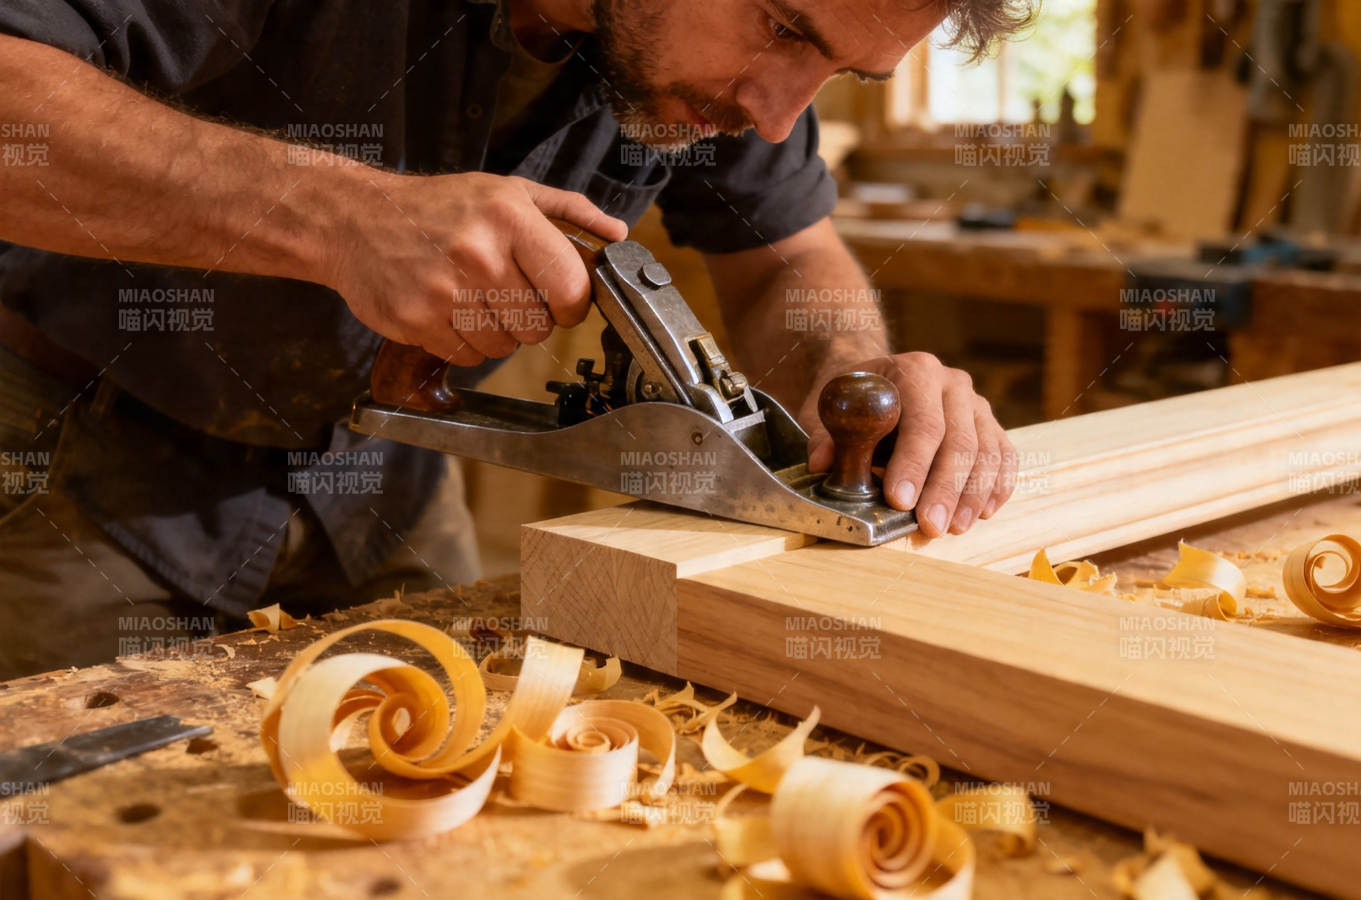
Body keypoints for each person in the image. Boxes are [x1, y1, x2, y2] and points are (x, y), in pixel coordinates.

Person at [0, 0, 1033, 678]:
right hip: (83, 455)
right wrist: (338, 217)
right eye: (784, 28)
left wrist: (848, 374)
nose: (775, 118)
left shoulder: (731, 77)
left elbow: (784, 258)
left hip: (386, 478)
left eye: (839, 74)